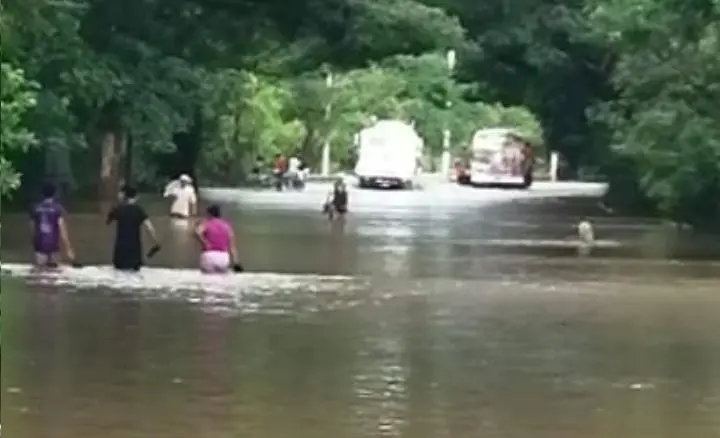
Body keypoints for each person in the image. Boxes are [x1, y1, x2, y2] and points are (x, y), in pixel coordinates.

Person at [106, 185, 160, 271]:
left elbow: (108, 222)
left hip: (120, 251)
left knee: (119, 273)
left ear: (124, 196)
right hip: (134, 252)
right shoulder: (139, 211)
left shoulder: (118, 209)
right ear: (136, 196)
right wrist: (156, 242)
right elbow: (149, 227)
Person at [29, 182, 75, 267]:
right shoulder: (57, 208)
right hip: (53, 245)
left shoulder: (35, 209)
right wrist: (68, 248)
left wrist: (34, 244)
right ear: (54, 194)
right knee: (55, 273)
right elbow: (62, 230)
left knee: (40, 273)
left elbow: (32, 229)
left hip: (40, 245)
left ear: (42, 194)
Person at [194, 204, 242, 273]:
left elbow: (197, 232)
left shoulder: (207, 223)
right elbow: (232, 247)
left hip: (209, 255)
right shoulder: (227, 226)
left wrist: (204, 243)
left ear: (209, 214)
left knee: (207, 280)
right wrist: (236, 262)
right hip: (223, 257)